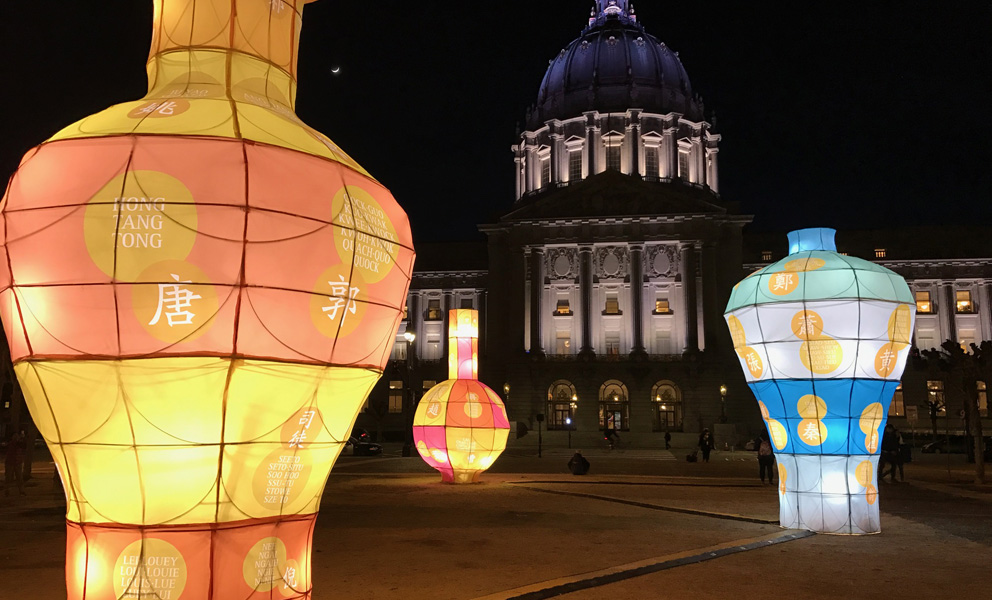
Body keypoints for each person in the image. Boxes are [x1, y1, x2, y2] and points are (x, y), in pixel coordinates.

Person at [4, 430, 27, 496]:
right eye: (15, 436)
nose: (16, 437)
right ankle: (7, 490)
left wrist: (23, 438)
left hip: (17, 462)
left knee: (19, 477)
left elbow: (24, 445)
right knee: (8, 478)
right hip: (10, 462)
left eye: (17, 436)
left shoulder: (19, 443)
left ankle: (21, 490)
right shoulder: (11, 444)